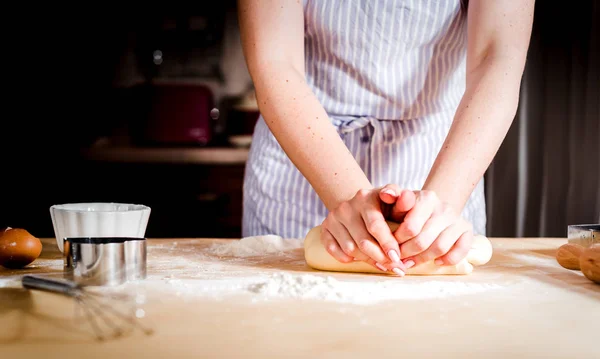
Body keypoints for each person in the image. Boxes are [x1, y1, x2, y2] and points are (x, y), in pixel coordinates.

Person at [237, 0, 534, 276]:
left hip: (442, 161)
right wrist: (350, 201)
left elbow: (497, 58)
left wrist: (436, 209)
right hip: (303, 159)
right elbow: (275, 60)